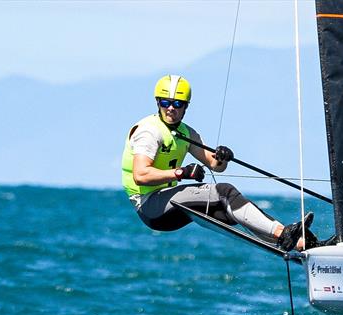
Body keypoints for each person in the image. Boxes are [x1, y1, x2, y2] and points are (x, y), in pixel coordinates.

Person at [121, 74, 315, 251]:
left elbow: (215, 166)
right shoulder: (149, 131)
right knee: (225, 192)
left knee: (232, 208)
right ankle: (283, 234)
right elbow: (140, 175)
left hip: (169, 204)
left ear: (186, 106)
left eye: (177, 104)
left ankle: (303, 244)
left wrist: (222, 156)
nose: (171, 108)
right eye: (165, 102)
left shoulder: (186, 133)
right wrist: (181, 173)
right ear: (158, 103)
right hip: (150, 206)